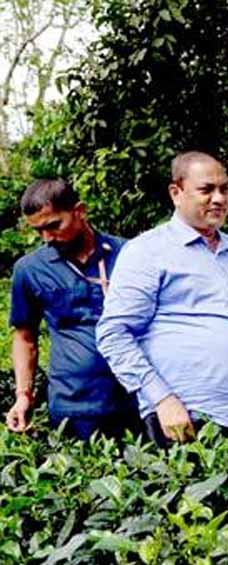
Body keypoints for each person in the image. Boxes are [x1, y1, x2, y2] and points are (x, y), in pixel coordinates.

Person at [96, 151, 228, 444]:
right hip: (182, 417)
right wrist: (162, 399)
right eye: (206, 190)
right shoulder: (147, 251)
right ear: (176, 193)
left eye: (224, 189)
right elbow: (113, 334)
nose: (219, 199)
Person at [6, 178, 139, 440]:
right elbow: (25, 338)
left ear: (80, 211)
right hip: (74, 408)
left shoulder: (130, 255)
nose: (47, 238)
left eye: (54, 225)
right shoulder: (30, 270)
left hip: (137, 400)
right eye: (39, 231)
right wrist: (23, 396)